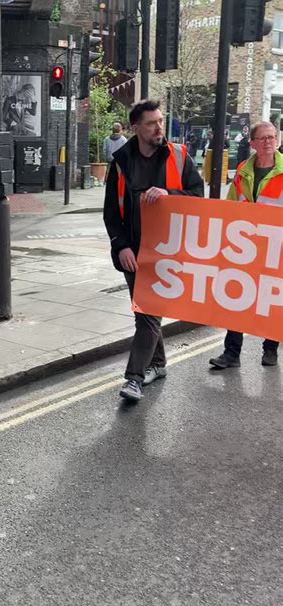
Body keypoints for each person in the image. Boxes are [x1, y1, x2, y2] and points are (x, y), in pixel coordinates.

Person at [104, 99, 204, 402]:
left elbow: (198, 197)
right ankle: (158, 364)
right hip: (134, 252)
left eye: (160, 121)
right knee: (144, 314)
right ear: (136, 128)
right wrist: (120, 246)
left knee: (148, 315)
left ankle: (133, 378)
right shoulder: (121, 161)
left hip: (168, 253)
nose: (159, 127)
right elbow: (111, 212)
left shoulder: (179, 156)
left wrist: (170, 194)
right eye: (151, 123)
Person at [209, 121, 282, 370]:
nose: (268, 142)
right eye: (263, 138)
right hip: (245, 247)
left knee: (272, 299)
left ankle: (270, 348)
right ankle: (232, 353)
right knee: (237, 297)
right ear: (252, 143)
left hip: (276, 249)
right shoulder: (242, 170)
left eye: (272, 137)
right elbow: (231, 206)